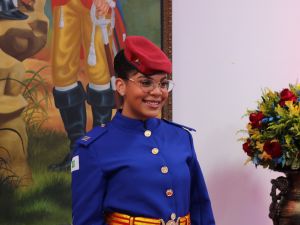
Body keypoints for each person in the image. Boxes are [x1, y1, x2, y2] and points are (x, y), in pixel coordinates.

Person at [71, 36, 215, 225]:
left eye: (163, 83)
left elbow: (200, 208)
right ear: (121, 86)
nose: (157, 92)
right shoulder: (94, 148)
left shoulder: (181, 138)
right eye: (146, 82)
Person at [49, 0, 119, 171]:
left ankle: (99, 148)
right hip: (65, 3)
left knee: (99, 70)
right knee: (62, 69)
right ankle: (77, 149)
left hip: (97, 4)